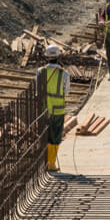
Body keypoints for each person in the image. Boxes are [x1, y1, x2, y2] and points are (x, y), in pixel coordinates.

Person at [36, 44, 69, 173]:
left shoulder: (40, 72)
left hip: (43, 110)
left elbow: (37, 89)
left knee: (44, 136)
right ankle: (51, 164)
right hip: (58, 110)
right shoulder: (64, 73)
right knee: (55, 138)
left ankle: (44, 163)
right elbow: (66, 92)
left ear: (46, 57)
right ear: (59, 56)